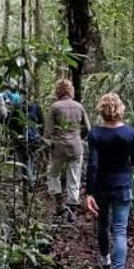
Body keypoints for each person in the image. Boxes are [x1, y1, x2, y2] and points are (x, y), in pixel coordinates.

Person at [84, 92, 134, 269]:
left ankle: (106, 262)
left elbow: (93, 165)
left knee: (102, 224)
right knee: (119, 231)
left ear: (101, 109)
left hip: (101, 187)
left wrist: (88, 192)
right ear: (120, 109)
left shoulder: (95, 134)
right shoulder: (128, 133)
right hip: (123, 186)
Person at [43, 78, 91, 220]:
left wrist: (47, 146)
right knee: (74, 177)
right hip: (76, 147)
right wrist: (78, 137)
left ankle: (59, 202)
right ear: (71, 91)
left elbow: (48, 132)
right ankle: (72, 208)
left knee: (53, 174)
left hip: (59, 147)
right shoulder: (79, 106)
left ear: (57, 91)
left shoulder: (55, 107)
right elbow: (88, 129)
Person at [2, 80, 43, 186]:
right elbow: (42, 123)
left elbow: (10, 124)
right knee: (31, 160)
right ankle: (31, 181)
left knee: (24, 162)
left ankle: (30, 183)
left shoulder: (17, 108)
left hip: (22, 140)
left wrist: (11, 137)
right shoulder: (36, 107)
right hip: (33, 139)